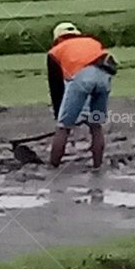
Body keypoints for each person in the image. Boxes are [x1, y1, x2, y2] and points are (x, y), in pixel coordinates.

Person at [46, 22, 116, 168]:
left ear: (58, 39)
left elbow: (56, 87)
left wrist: (60, 115)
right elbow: (94, 71)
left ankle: (53, 168)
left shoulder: (55, 51)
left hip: (82, 79)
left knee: (63, 128)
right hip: (104, 78)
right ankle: (97, 166)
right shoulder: (92, 42)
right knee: (96, 125)